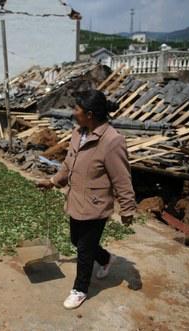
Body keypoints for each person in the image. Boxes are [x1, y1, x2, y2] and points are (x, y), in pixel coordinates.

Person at [37, 89, 136, 309]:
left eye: (77, 109)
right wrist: (53, 182)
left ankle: (80, 289)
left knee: (83, 249)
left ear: (90, 114)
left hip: (96, 205)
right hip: (76, 201)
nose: (73, 113)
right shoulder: (78, 133)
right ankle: (105, 258)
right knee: (76, 241)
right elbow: (68, 164)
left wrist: (127, 209)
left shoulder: (112, 141)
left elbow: (122, 178)